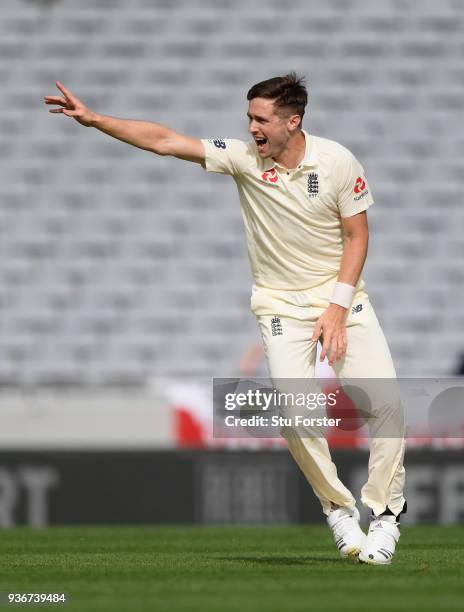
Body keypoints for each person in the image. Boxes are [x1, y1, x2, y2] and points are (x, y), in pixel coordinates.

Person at [44, 73, 406, 565]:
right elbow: (167, 141)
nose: (251, 127)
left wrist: (338, 308)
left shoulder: (337, 162)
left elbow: (357, 236)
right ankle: (338, 508)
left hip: (343, 301)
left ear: (292, 121)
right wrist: (95, 119)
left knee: (387, 404)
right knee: (296, 414)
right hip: (281, 306)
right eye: (249, 117)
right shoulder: (242, 158)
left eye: (261, 119)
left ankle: (385, 517)